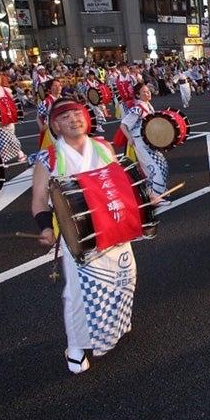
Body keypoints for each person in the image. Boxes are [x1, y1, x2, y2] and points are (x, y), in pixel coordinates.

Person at [31, 98, 137, 374]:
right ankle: (75, 346)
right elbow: (39, 198)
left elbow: (119, 183)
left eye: (77, 114)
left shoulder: (102, 147)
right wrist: (45, 227)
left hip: (114, 226)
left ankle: (115, 324)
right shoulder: (48, 158)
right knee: (78, 293)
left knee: (123, 277)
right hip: (78, 236)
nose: (74, 120)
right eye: (65, 118)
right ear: (55, 125)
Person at [119, 82, 170, 207]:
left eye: (148, 91)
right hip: (140, 141)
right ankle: (156, 198)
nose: (148, 93)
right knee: (154, 168)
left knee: (162, 165)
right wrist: (129, 138)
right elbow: (123, 125)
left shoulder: (148, 105)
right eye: (145, 92)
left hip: (149, 141)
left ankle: (156, 192)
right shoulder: (137, 108)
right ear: (137, 95)